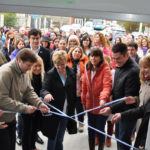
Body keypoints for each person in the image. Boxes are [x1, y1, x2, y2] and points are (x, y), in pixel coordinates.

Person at [0, 48, 49, 150]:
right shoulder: (6, 72)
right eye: (28, 65)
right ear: (19, 60)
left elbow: (28, 91)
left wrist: (39, 104)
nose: (30, 68)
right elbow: (2, 99)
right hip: (1, 121)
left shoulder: (24, 71)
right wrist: (25, 108)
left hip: (11, 118)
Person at [100, 43, 140, 150]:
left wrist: (111, 109)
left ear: (127, 55)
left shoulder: (133, 71)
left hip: (127, 113)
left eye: (118, 58)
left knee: (123, 140)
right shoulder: (120, 65)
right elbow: (117, 87)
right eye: (113, 58)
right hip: (119, 110)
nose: (115, 61)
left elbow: (127, 99)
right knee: (118, 136)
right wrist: (106, 97)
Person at [41, 50, 77, 150]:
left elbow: (73, 90)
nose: (59, 67)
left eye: (62, 64)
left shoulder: (71, 72)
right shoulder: (50, 74)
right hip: (55, 111)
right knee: (52, 137)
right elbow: (43, 89)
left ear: (66, 62)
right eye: (57, 64)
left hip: (66, 109)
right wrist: (46, 94)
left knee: (60, 137)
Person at [82, 48, 112, 150]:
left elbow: (107, 86)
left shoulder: (105, 69)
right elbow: (84, 86)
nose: (93, 58)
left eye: (96, 56)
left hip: (101, 106)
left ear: (100, 57)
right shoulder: (87, 68)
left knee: (100, 129)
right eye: (91, 56)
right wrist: (83, 100)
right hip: (90, 105)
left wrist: (103, 98)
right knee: (90, 129)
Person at [22, 56, 45, 150]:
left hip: (38, 107)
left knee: (34, 128)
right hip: (26, 108)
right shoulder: (25, 77)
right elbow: (22, 94)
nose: (38, 68)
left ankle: (32, 146)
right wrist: (27, 105)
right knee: (27, 130)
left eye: (39, 66)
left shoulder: (42, 76)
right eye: (35, 66)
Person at [67, 46, 88, 132]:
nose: (77, 53)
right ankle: (71, 125)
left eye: (79, 52)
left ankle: (81, 124)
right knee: (70, 109)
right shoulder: (67, 62)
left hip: (79, 89)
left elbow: (86, 74)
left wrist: (84, 76)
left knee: (80, 108)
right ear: (71, 52)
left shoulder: (83, 63)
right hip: (69, 90)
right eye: (75, 51)